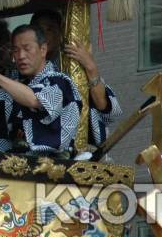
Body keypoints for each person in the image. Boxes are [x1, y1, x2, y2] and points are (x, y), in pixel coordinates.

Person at [0, 24, 81, 155]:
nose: (21, 56)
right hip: (11, 164)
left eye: (26, 48)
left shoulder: (60, 81)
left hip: (51, 165)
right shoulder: (14, 85)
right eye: (16, 50)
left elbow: (34, 100)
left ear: (43, 49)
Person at [33, 9, 123, 150]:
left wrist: (90, 67)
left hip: (81, 147)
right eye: (39, 30)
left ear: (60, 33)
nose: (44, 35)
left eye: (50, 29)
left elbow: (105, 108)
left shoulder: (74, 65)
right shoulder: (22, 69)